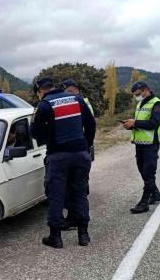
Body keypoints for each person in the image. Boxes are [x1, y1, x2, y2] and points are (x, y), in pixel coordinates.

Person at [30, 77, 96, 248]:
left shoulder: (44, 105)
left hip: (58, 156)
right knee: (80, 194)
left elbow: (35, 133)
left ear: (40, 91)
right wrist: (86, 145)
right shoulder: (77, 99)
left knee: (56, 196)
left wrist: (48, 135)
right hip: (81, 154)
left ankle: (55, 237)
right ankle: (83, 235)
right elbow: (91, 124)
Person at [122, 80, 160, 214]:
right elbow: (141, 124)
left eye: (138, 93)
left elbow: (154, 123)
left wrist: (135, 122)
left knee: (148, 172)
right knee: (142, 171)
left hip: (151, 144)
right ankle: (155, 194)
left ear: (146, 90)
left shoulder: (157, 103)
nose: (137, 96)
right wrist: (131, 125)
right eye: (135, 94)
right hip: (140, 143)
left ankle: (144, 203)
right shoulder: (141, 103)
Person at [59, 79, 94, 230]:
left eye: (66, 90)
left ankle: (78, 218)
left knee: (77, 185)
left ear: (72, 89)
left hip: (80, 148)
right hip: (81, 147)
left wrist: (86, 144)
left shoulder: (81, 102)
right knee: (77, 184)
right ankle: (78, 218)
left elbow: (90, 124)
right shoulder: (79, 101)